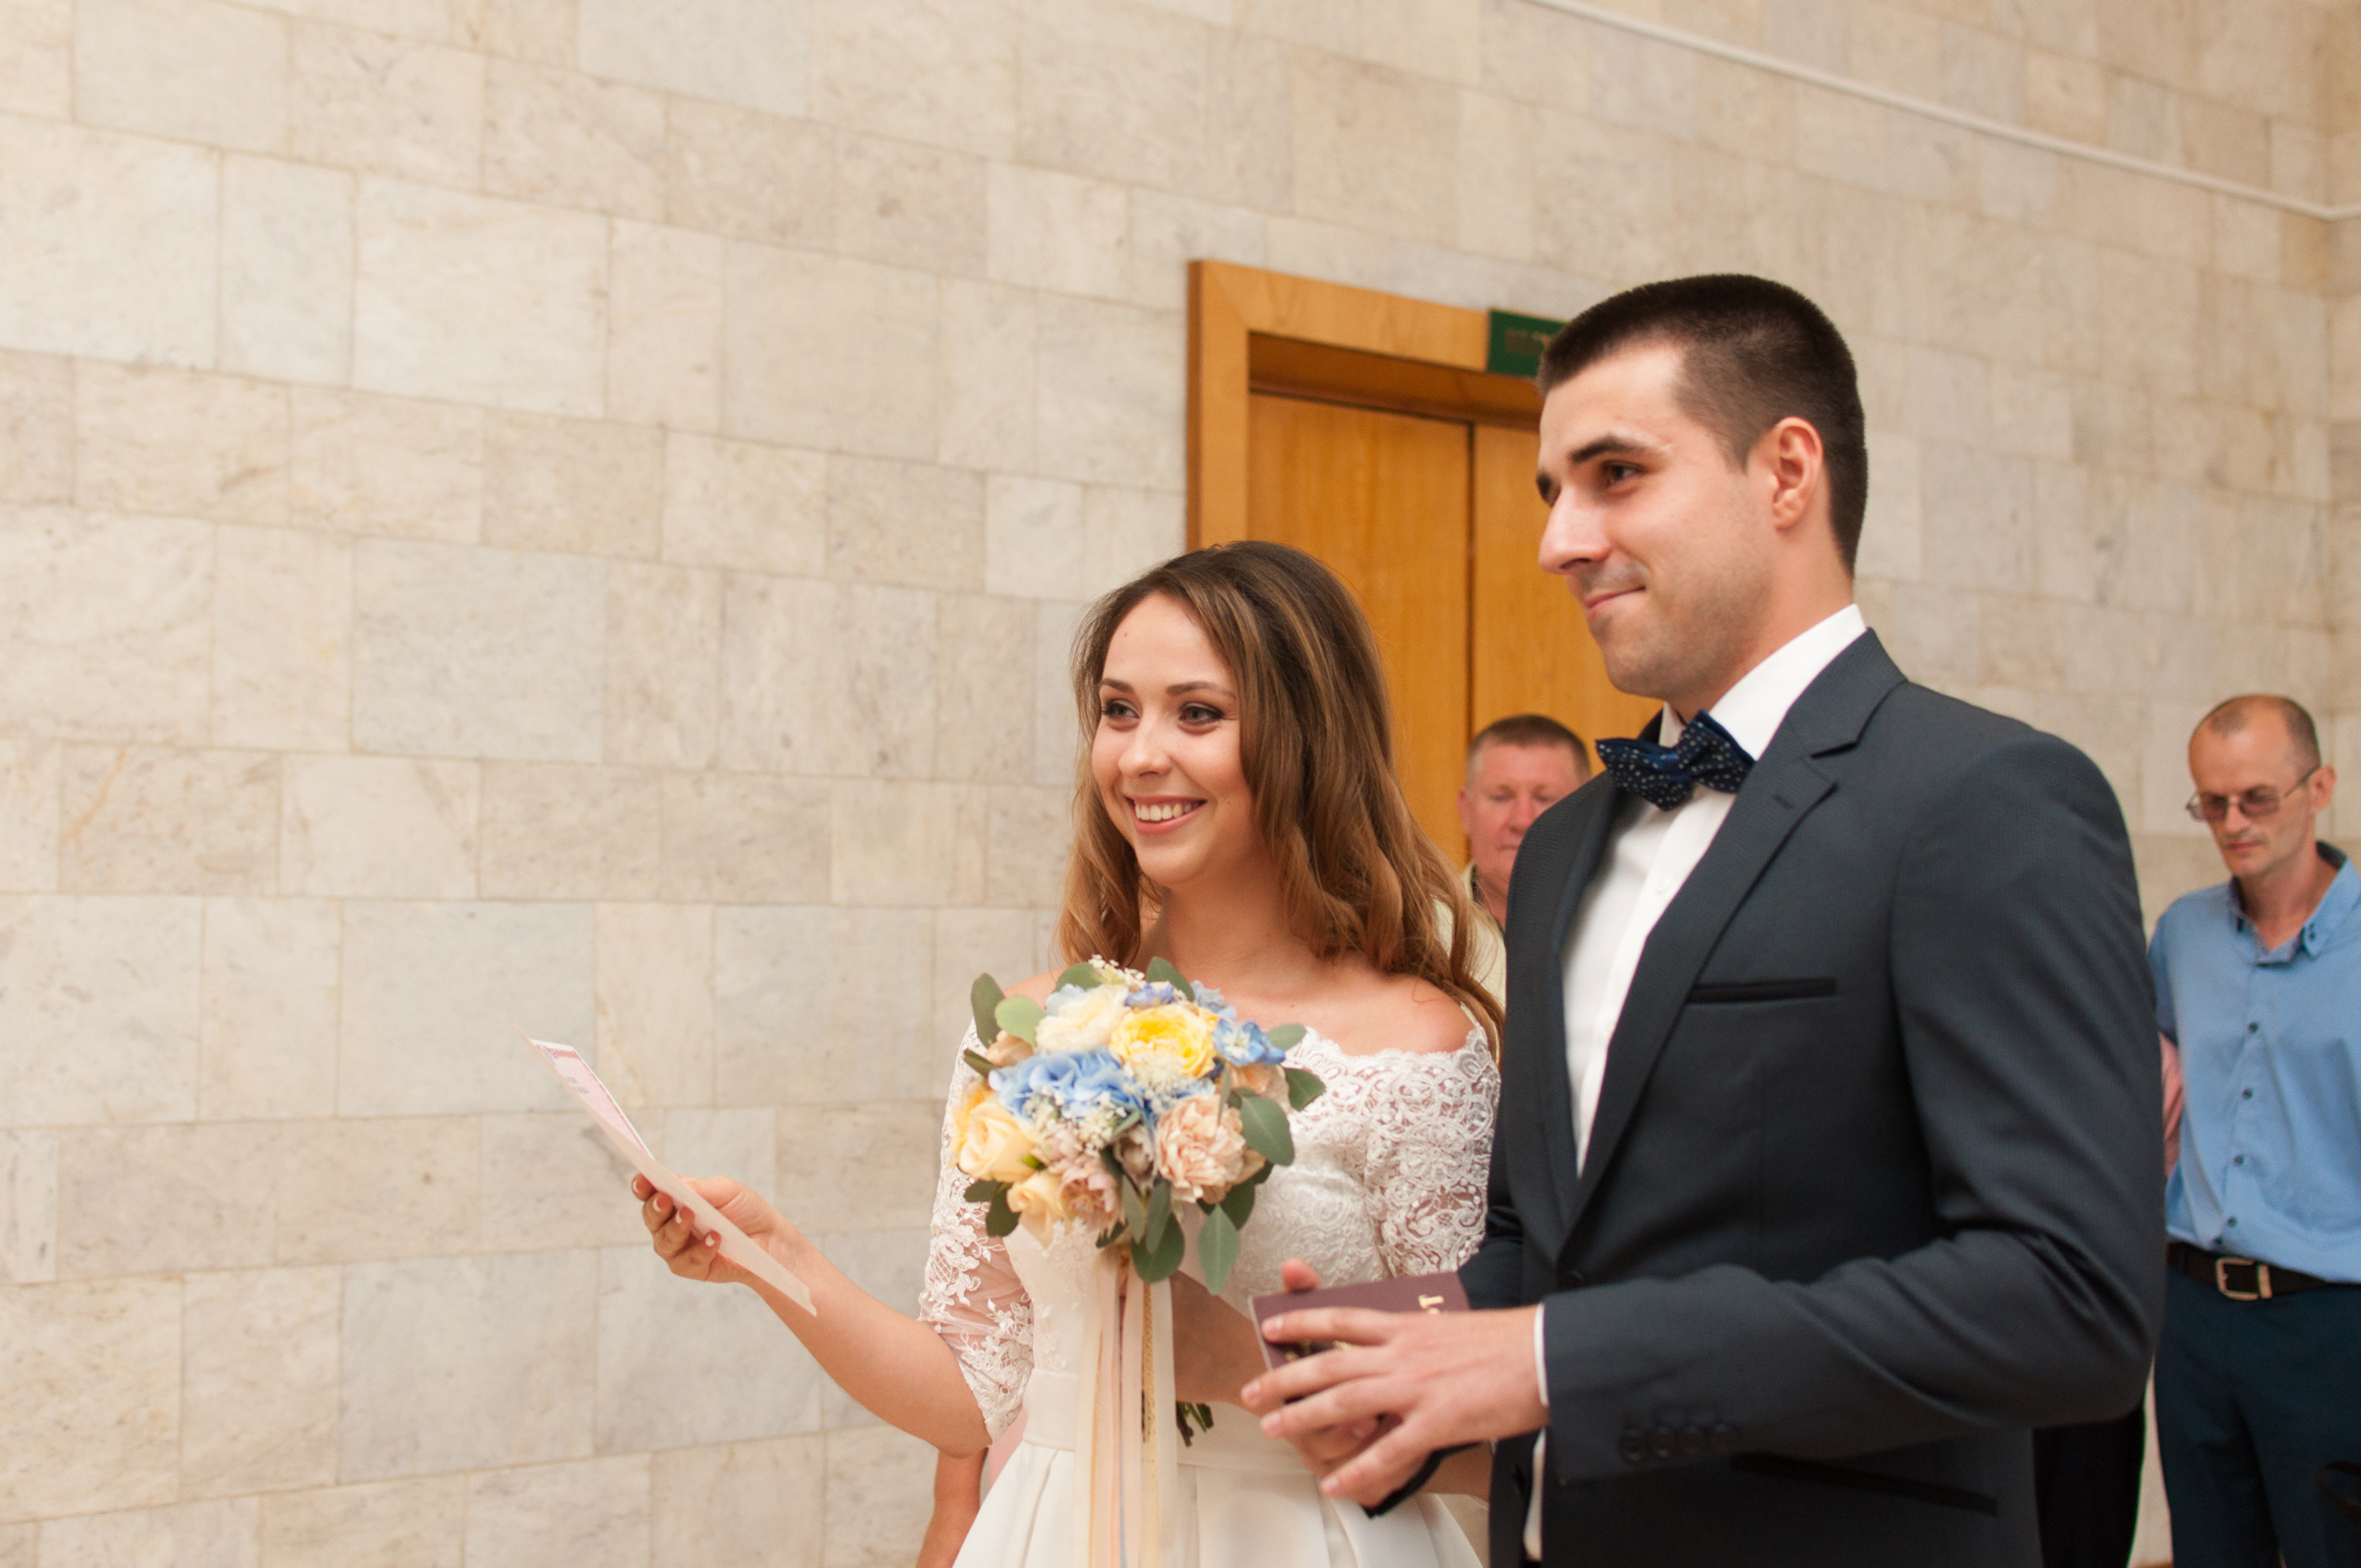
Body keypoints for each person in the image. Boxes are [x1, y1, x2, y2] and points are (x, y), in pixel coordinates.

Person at [1241, 273, 2162, 1567]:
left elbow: (2071, 1302)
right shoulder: (1566, 846)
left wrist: (1560, 1359)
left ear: (1787, 471)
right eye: (1552, 490)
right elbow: (1542, 1246)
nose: (1561, 539)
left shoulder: (1983, 798)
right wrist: (1390, 1347)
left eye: (1616, 474)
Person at [635, 540, 1503, 1568]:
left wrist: (1248, 1362)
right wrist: (774, 1255)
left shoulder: (1412, 1047)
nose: (1139, 755)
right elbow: (967, 1393)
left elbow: (1491, 1435)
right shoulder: (1030, 1031)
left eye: (1198, 713)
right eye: (1118, 708)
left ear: (1305, 738)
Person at [2150, 694, 2361, 1568]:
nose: (2232, 823)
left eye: (2257, 799)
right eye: (2212, 802)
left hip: (2329, 1323)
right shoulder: (2183, 934)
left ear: (2320, 787)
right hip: (2193, 1315)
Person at [1456, 716, 1591, 1001]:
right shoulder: (1417, 929)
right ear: (1466, 811)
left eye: (1545, 798)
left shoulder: (1621, 923)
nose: (1523, 821)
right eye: (1501, 797)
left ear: (1589, 812)